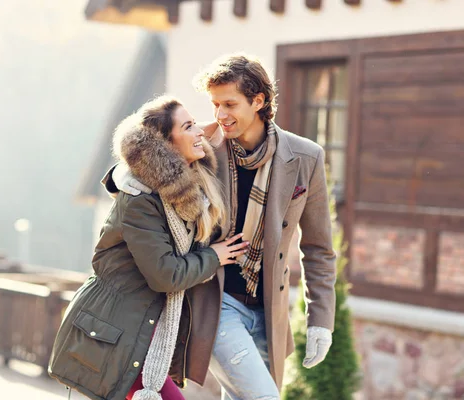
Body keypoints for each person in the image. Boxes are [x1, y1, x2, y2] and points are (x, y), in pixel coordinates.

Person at [110, 54, 337, 400]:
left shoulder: (306, 157)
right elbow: (147, 153)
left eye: (229, 104)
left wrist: (321, 318)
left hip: (270, 311)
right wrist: (121, 175)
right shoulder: (201, 143)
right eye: (215, 104)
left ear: (258, 101)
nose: (219, 115)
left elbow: (319, 248)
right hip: (216, 304)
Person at [47, 95, 249, 400]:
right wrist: (214, 257)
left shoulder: (181, 194)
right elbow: (165, 275)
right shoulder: (141, 199)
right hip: (113, 335)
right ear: (165, 144)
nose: (199, 133)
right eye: (189, 126)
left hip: (141, 333)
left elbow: (205, 135)